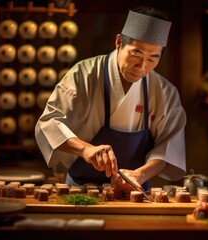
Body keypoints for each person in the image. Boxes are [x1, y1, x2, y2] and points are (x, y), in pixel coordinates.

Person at [35, 6, 186, 194]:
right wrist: (85, 149)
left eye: (152, 59)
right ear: (119, 42)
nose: (141, 66)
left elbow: (169, 147)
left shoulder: (164, 92)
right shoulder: (84, 74)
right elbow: (49, 122)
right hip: (80, 190)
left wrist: (139, 175)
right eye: (136, 54)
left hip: (135, 190)